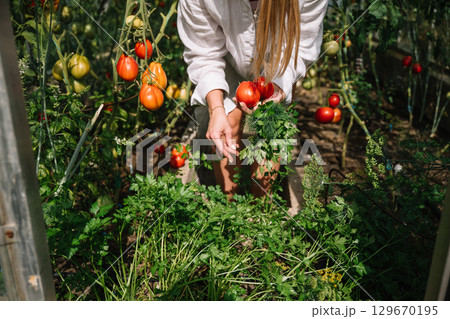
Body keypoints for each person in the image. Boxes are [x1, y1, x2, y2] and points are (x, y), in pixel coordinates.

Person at [177, 0, 328, 198]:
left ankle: (261, 206)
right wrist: (217, 109)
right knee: (227, 124)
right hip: (225, 61)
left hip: (278, 60)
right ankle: (229, 207)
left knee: (269, 125)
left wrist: (279, 89)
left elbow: (299, 48)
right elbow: (204, 55)